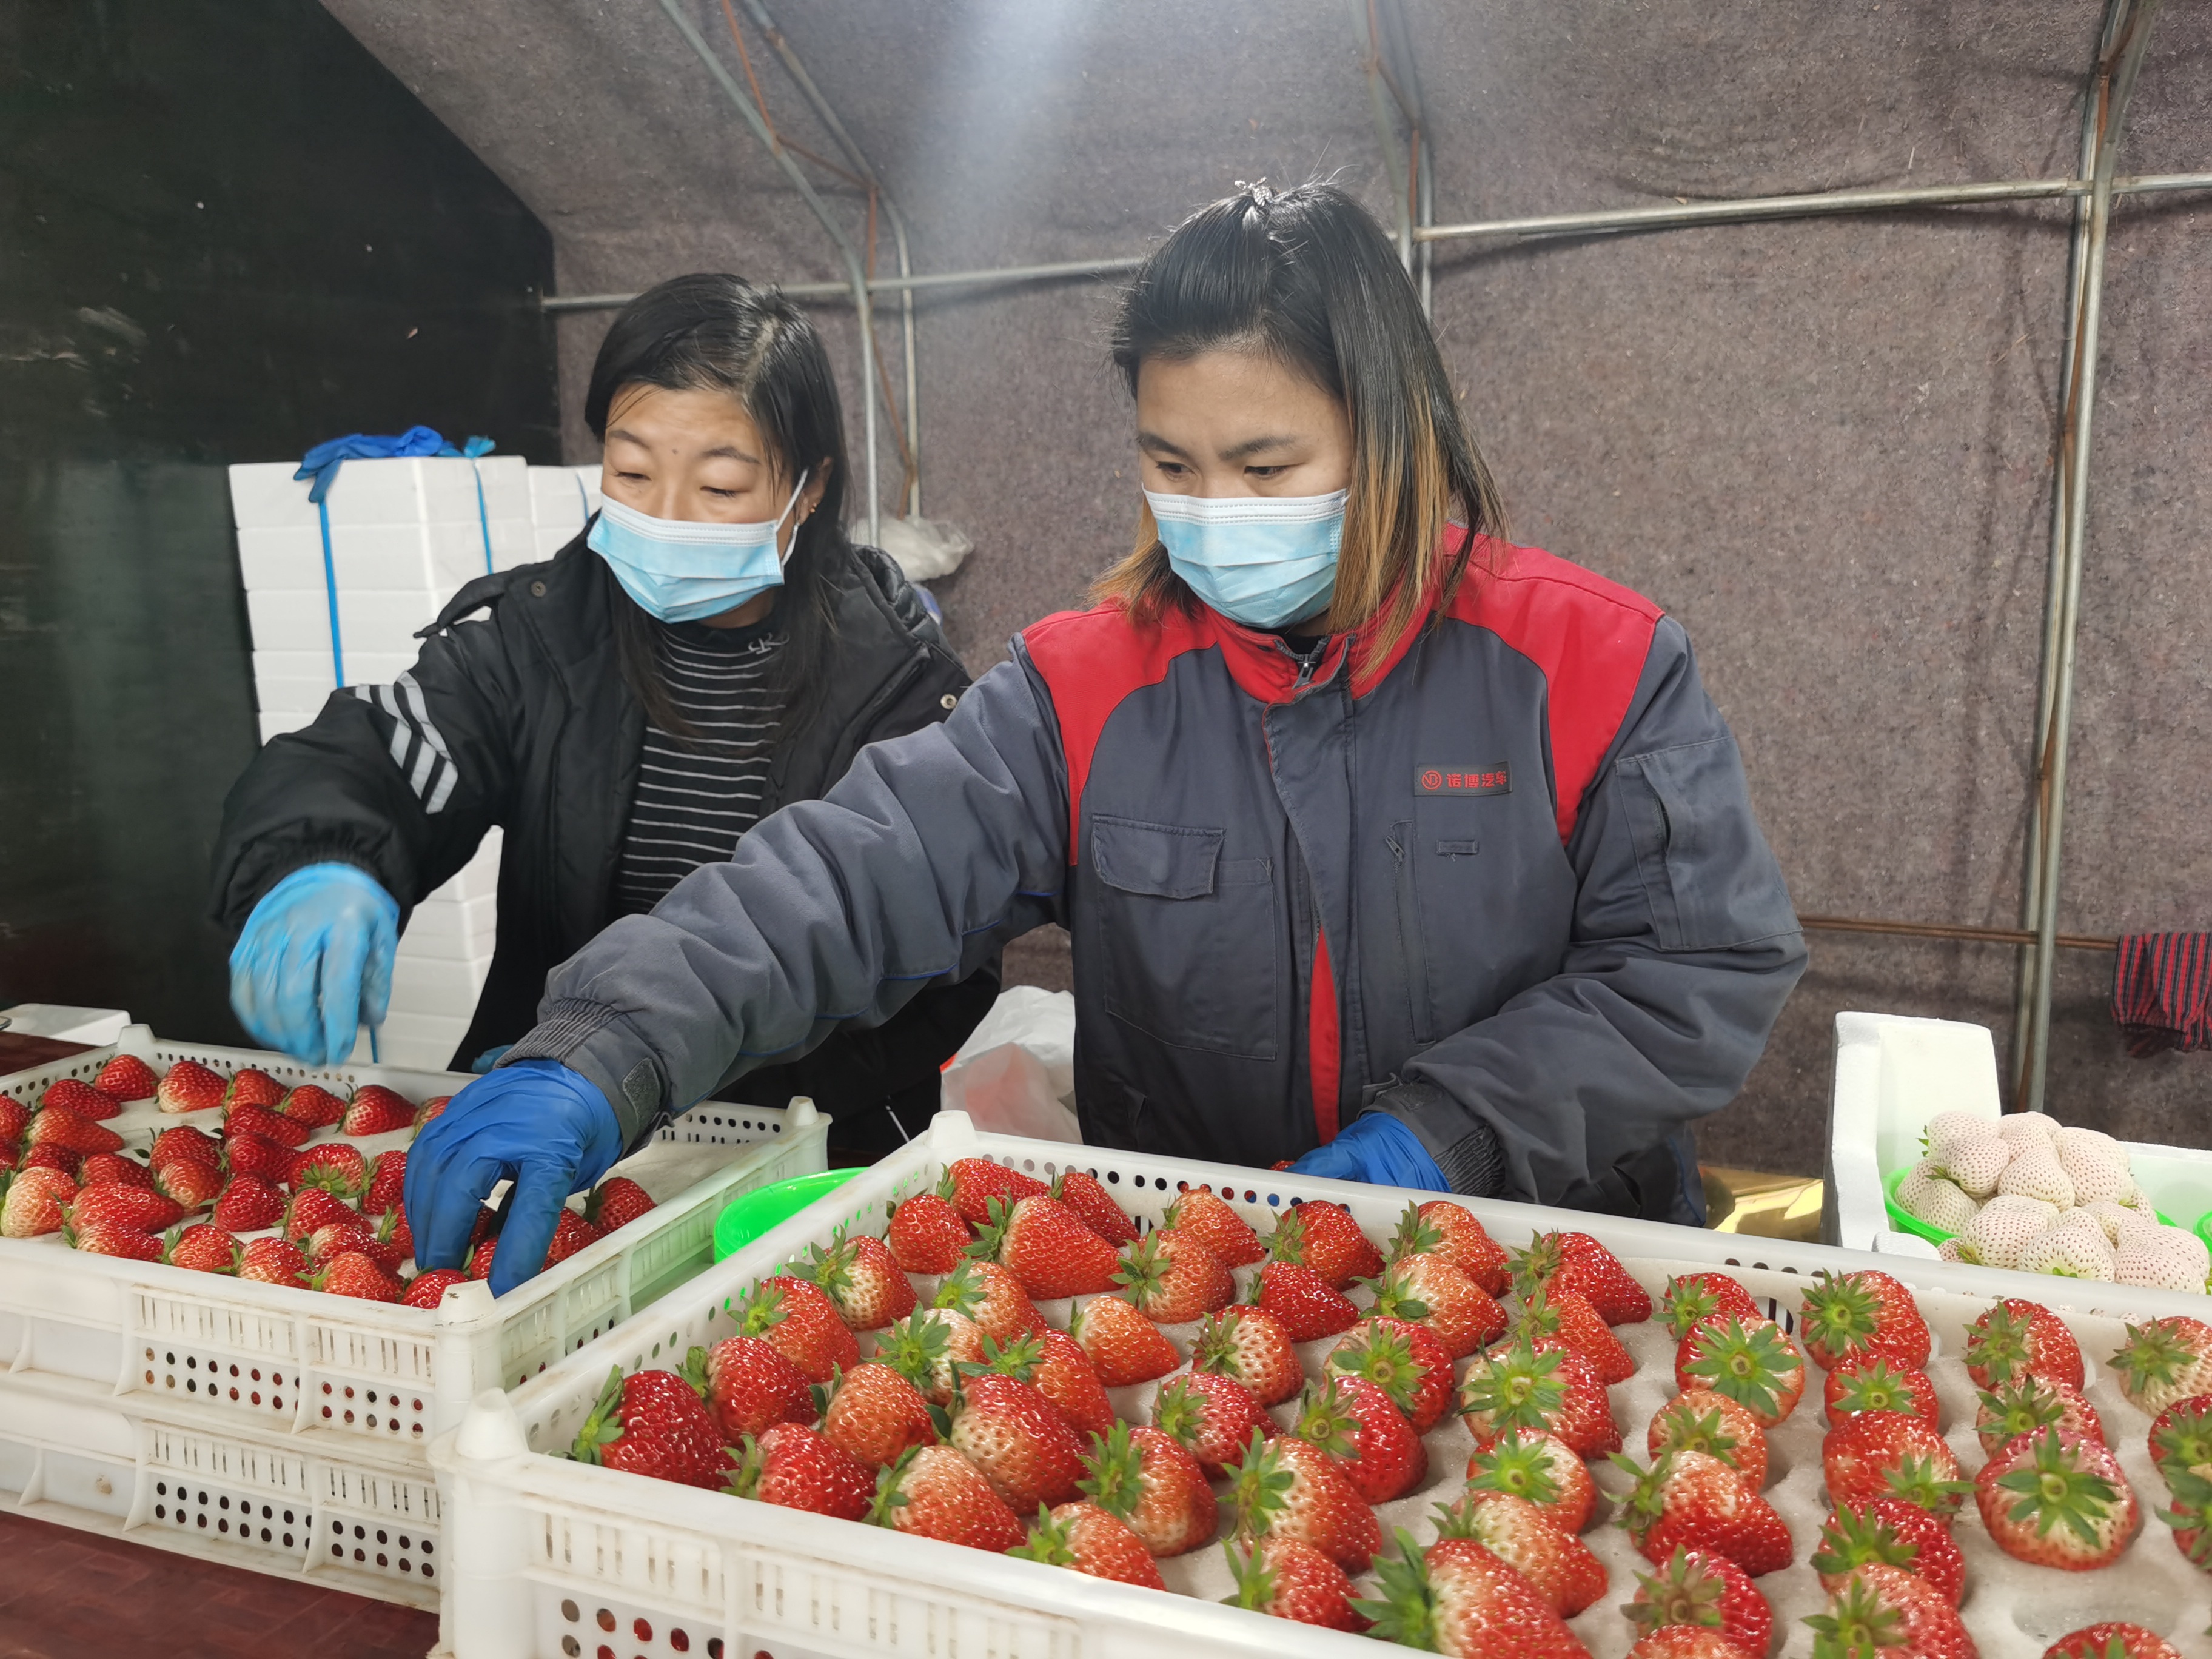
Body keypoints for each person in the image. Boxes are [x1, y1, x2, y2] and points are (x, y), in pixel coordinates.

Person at [407, 184, 1805, 1292]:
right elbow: (847, 877)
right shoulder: (1086, 688)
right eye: (1170, 464)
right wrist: (603, 1044)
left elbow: (1693, 970)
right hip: (1204, 1296)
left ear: (1398, 434)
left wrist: (1448, 1132)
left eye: (1266, 469)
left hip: (1542, 1275)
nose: (1214, 509)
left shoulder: (1594, 662)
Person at [212, 274, 996, 1182]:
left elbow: (930, 949)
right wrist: (321, 858)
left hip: (796, 1154)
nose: (663, 516)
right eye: (631, 474)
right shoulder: (544, 640)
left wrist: (704, 1087)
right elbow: (391, 751)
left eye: (720, 484)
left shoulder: (898, 689)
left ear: (809, 489)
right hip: (541, 1121)